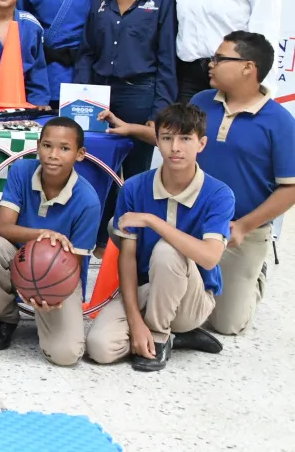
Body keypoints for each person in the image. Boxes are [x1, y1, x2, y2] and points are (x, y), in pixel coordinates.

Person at [104, 32, 295, 336]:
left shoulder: (280, 122)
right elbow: (174, 142)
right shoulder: (201, 101)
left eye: (220, 59)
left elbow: (290, 188)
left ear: (248, 67)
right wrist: (130, 129)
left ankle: (253, 274)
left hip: (241, 232)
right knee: (161, 268)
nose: (210, 63)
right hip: (190, 220)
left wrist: (244, 226)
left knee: (225, 325)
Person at [86, 103, 234, 372]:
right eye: (167, 138)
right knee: (100, 348)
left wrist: (152, 221)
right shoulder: (134, 188)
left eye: (185, 139)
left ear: (201, 144)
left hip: (193, 299)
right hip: (147, 290)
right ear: (156, 141)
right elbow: (127, 260)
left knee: (167, 251)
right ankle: (174, 337)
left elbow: (210, 258)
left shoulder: (219, 193)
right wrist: (135, 321)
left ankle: (160, 335)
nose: (175, 147)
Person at [75, 0, 176, 249]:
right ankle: (97, 238)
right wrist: (80, 96)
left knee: (134, 174)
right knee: (97, 167)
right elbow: (88, 51)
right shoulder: (100, 1)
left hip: (140, 94)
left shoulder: (161, 0)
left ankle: (127, 241)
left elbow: (166, 59)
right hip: (101, 93)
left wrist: (158, 113)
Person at [0, 118, 101, 365]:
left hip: (60, 277)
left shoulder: (88, 200)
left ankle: (48, 320)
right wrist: (42, 234)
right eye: (47, 146)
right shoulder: (21, 171)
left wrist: (47, 292)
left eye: (64, 148)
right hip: (19, 259)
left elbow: (77, 263)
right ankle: (6, 318)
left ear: (80, 154)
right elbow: (2, 227)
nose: (53, 155)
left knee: (66, 355)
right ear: (38, 146)